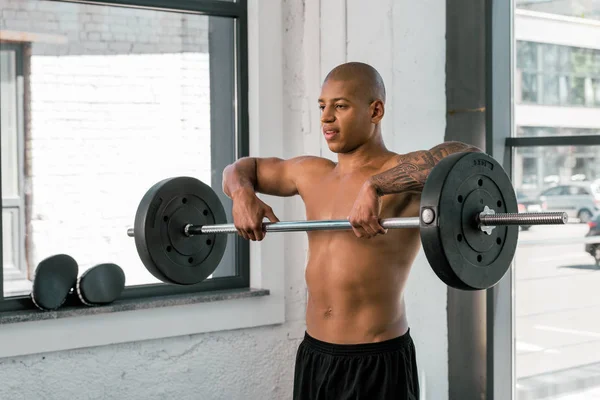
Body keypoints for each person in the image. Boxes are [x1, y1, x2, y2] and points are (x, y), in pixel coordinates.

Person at [222, 62, 481, 400]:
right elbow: (243, 168)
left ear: (375, 111)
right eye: (322, 106)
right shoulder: (311, 173)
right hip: (315, 355)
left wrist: (377, 185)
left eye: (340, 105)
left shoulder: (400, 171)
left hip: (377, 360)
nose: (326, 117)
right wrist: (242, 194)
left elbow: (467, 158)